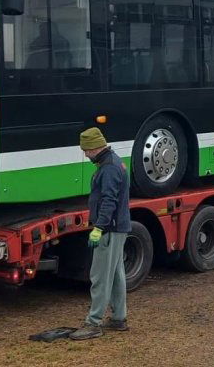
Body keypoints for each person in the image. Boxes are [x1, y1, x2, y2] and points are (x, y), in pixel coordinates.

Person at [70, 127, 131, 340]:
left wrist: (99, 227)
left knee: (99, 276)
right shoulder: (113, 162)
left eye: (86, 150)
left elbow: (109, 201)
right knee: (115, 275)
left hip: (110, 229)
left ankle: (93, 323)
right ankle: (118, 318)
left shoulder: (109, 168)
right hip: (117, 227)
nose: (85, 154)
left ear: (96, 147)